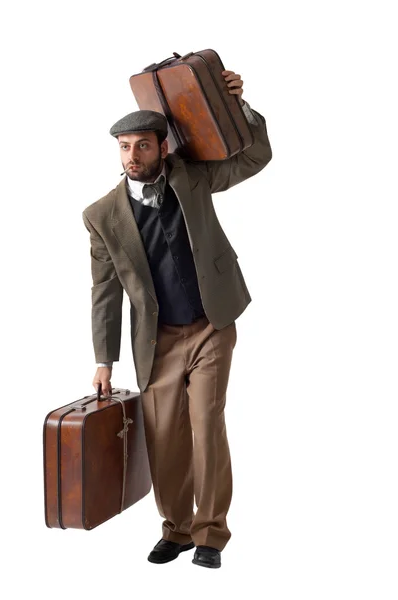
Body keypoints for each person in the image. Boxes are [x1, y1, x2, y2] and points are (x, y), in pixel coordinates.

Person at [82, 69, 272, 569]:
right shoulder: (101, 215)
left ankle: (210, 534)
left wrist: (241, 108)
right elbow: (104, 291)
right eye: (124, 147)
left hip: (213, 322)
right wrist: (105, 360)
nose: (132, 157)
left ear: (162, 148)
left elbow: (254, 157)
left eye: (142, 146)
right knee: (164, 438)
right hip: (157, 340)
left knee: (206, 424)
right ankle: (177, 529)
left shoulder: (192, 173)